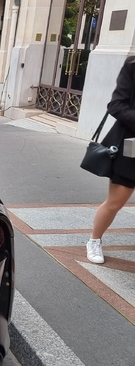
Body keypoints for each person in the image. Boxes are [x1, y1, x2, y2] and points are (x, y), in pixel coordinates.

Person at [86, 56, 135, 264]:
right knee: (115, 203)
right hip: (131, 148)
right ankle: (94, 240)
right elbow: (116, 104)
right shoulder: (132, 66)